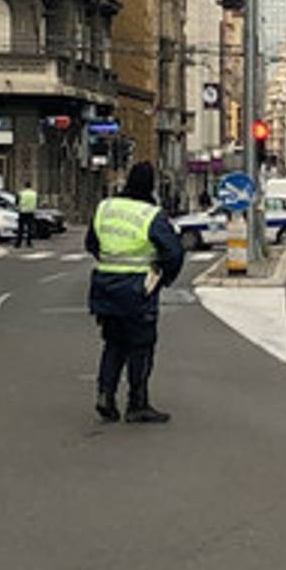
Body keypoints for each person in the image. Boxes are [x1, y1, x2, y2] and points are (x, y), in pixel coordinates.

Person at [85, 162, 185, 424]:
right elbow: (174, 252)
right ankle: (137, 403)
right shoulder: (150, 214)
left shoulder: (105, 207)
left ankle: (105, 394)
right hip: (137, 289)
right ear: (151, 185)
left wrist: (110, 261)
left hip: (104, 286)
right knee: (140, 346)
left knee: (114, 344)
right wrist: (162, 276)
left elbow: (91, 244)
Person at [16, 183, 39, 248]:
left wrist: (19, 207)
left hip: (22, 212)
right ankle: (29, 243)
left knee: (21, 228)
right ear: (30, 186)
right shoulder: (34, 194)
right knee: (30, 228)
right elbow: (37, 202)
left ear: (24, 186)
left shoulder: (21, 193)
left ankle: (18, 243)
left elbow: (17, 202)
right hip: (31, 212)